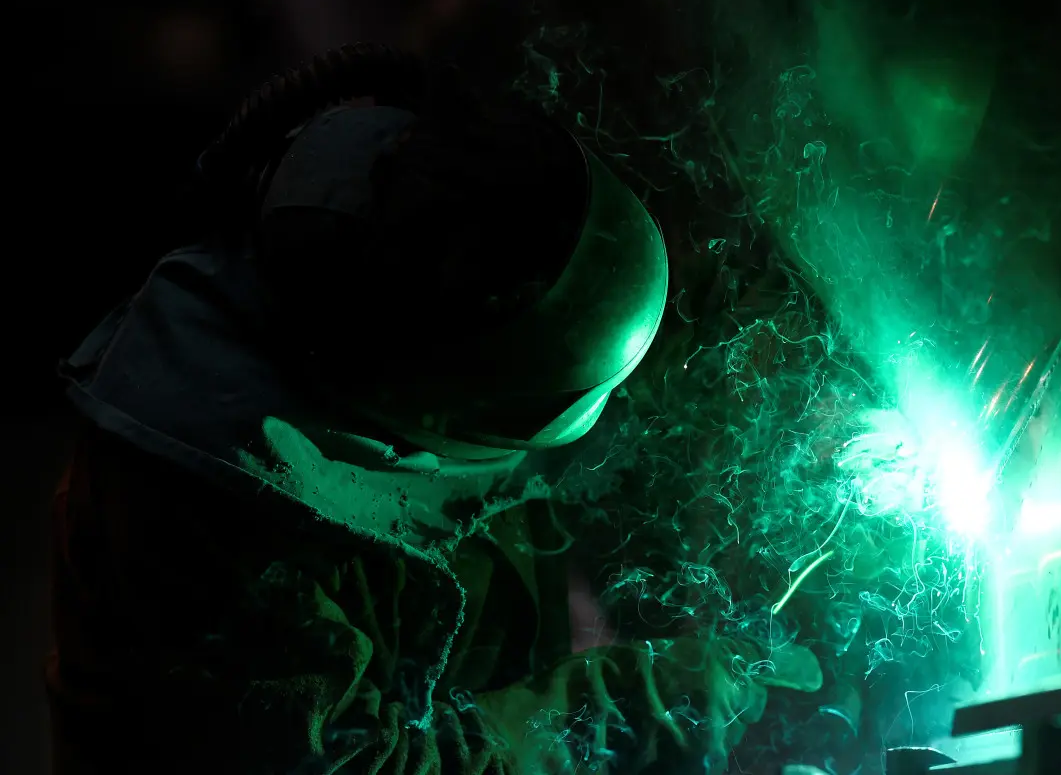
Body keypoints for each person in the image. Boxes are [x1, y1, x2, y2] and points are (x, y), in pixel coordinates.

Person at [47, 45, 820, 775]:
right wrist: (628, 700)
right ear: (440, 413)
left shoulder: (437, 216)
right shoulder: (208, 515)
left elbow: (567, 301)